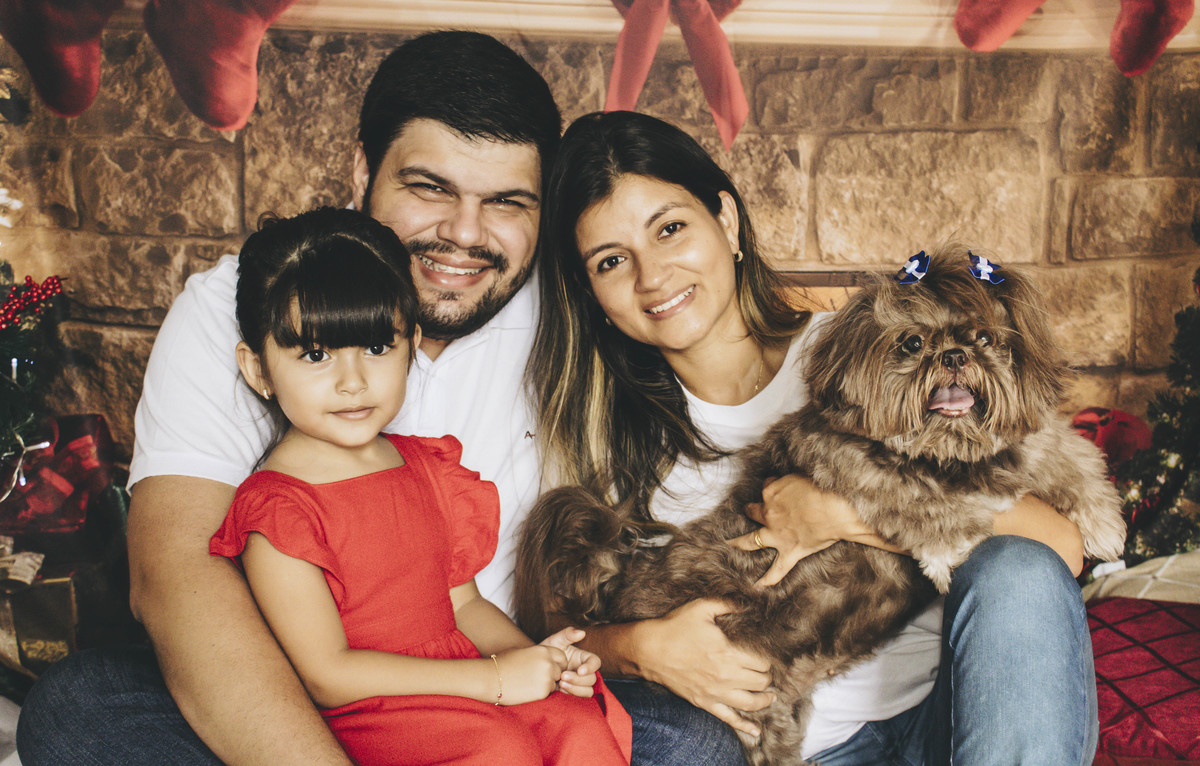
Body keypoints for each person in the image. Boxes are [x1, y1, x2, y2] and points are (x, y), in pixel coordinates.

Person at [16, 30, 730, 766]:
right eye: (431, 188)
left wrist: (549, 666)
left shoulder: (579, 306)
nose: (464, 234)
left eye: (506, 202)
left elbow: (725, 371)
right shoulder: (243, 306)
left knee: (693, 745)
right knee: (81, 707)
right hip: (287, 689)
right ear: (362, 169)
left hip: (481, 667)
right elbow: (177, 579)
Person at [519, 109, 1099, 765]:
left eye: (670, 229)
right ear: (590, 290)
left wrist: (845, 514)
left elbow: (1054, 549)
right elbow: (548, 634)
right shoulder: (601, 429)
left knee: (1016, 567)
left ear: (726, 222)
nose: (652, 277)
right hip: (788, 749)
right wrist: (639, 648)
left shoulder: (873, 349)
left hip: (958, 717)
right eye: (612, 260)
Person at [208, 206, 627, 765]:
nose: (353, 381)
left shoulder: (426, 468)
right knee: (497, 749)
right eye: (316, 354)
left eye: (377, 347)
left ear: (412, 345)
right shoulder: (278, 508)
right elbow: (328, 675)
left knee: (574, 722)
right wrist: (495, 679)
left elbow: (464, 605)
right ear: (258, 368)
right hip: (372, 706)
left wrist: (538, 662)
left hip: (463, 679)